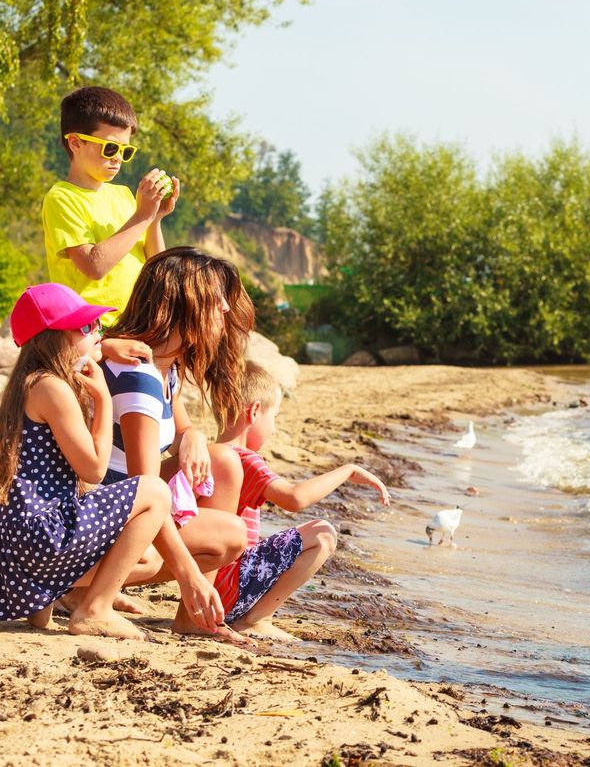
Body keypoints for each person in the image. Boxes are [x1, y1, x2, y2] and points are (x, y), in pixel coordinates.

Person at [0, 284, 223, 640]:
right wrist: (104, 400)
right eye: (87, 327)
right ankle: (95, 610)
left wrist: (103, 346)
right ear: (54, 339)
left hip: (21, 541)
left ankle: (46, 602)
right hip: (43, 537)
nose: (98, 332)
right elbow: (93, 469)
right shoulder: (52, 388)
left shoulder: (28, 384)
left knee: (147, 558)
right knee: (153, 491)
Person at [98, 246, 254, 641]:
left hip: (115, 505)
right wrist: (189, 575)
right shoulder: (139, 375)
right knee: (230, 535)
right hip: (96, 519)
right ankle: (89, 593)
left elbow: (180, 429)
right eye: (216, 299)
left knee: (223, 461)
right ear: (185, 303)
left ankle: (193, 619)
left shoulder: (164, 366)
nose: (225, 309)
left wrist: (194, 436)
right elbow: (145, 491)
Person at [214, 362, 390, 640]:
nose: (273, 429)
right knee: (322, 533)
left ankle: (252, 616)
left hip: (208, 589)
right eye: (275, 417)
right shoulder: (244, 459)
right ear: (254, 411)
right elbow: (295, 499)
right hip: (229, 591)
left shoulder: (211, 454)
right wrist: (348, 471)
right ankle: (256, 619)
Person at [42, 86, 179, 322]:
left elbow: (159, 269)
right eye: (111, 147)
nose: (117, 158)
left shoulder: (124, 195)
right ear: (75, 142)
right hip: (91, 330)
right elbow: (94, 267)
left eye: (125, 151)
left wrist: (155, 218)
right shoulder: (62, 198)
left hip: (134, 324)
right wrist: (143, 216)